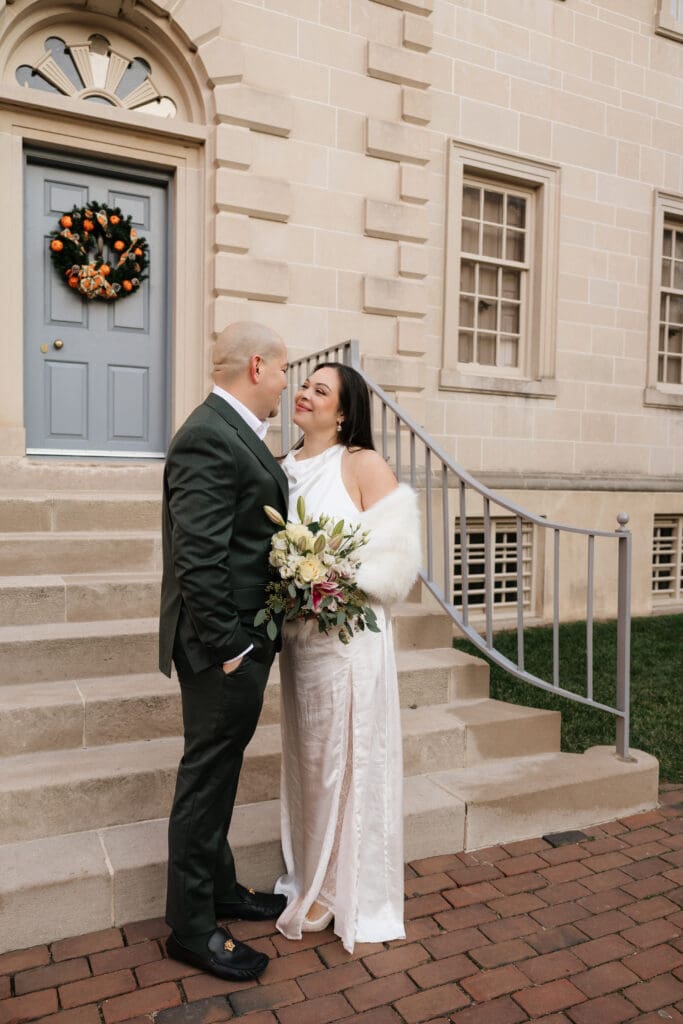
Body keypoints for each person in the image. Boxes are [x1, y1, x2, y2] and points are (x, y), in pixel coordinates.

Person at [274, 362, 422, 953]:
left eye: (320, 390)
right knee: (310, 759)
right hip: (299, 643)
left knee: (347, 757)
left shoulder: (361, 464)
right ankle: (311, 872)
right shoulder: (281, 468)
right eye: (304, 385)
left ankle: (340, 888)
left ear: (343, 412)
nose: (305, 394)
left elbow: (397, 560)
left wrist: (331, 576)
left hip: (348, 640)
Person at [159, 321, 290, 981]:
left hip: (238, 637)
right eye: (285, 369)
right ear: (258, 366)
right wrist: (232, 646)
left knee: (222, 773)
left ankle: (222, 890)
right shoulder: (209, 436)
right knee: (205, 780)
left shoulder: (232, 431)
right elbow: (198, 558)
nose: (288, 383)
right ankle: (191, 927)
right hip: (222, 646)